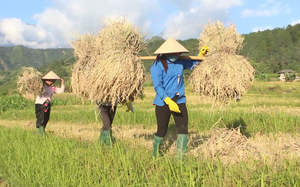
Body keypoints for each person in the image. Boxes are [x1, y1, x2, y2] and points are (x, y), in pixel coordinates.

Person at [150, 37, 209, 159]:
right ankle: (156, 156)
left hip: (179, 99)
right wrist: (168, 101)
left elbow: (194, 63)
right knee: (162, 130)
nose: (177, 55)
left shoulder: (180, 62)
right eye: (175, 53)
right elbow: (158, 86)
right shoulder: (157, 66)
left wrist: (201, 55)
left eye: (178, 53)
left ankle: (180, 157)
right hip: (163, 102)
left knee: (183, 129)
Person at [35, 71, 65, 135]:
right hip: (40, 104)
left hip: (47, 104)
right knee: (41, 118)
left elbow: (61, 91)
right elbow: (36, 82)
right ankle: (40, 132)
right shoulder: (42, 86)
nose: (51, 82)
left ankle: (42, 130)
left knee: (46, 118)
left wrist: (62, 83)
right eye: (50, 81)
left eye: (53, 81)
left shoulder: (52, 88)